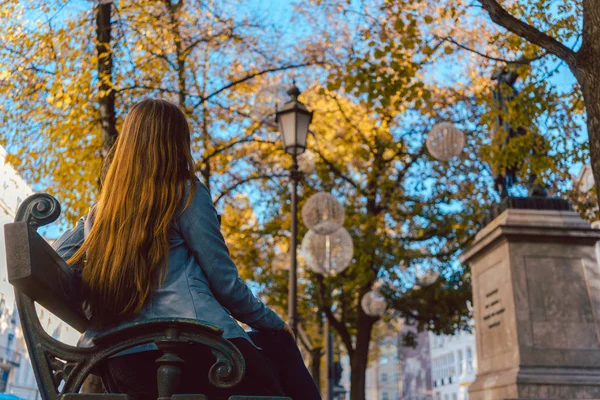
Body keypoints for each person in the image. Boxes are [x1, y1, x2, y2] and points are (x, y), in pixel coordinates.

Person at [52, 98, 321, 400]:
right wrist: (274, 322)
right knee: (278, 343)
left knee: (270, 346)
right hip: (191, 350)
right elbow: (226, 284)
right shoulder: (185, 192)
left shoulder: (101, 212)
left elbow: (59, 256)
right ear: (176, 143)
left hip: (120, 359)